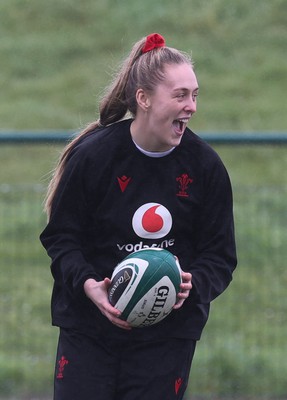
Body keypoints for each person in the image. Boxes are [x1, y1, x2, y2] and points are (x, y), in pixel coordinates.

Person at [40, 33, 237, 400]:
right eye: (180, 95)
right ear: (143, 99)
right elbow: (61, 238)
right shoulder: (94, 157)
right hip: (89, 331)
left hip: (167, 340)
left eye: (195, 95)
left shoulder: (205, 167)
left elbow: (220, 257)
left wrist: (190, 286)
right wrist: (89, 286)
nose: (191, 106)